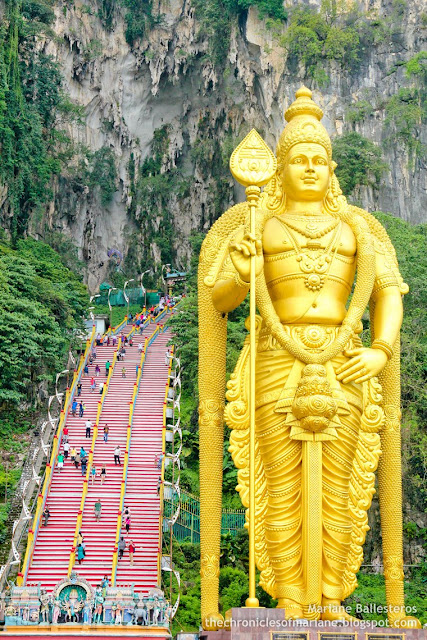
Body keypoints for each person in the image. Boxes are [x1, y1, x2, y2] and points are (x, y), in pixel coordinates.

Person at [198, 87, 420, 627]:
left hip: (345, 360)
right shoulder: (255, 225)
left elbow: (388, 290)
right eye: (299, 158)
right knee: (281, 483)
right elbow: (220, 298)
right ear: (279, 167)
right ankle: (291, 599)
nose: (310, 167)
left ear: (332, 166)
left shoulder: (359, 230)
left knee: (343, 486)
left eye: (319, 159)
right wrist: (244, 270)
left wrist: (381, 350)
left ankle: (333, 599)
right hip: (276, 357)